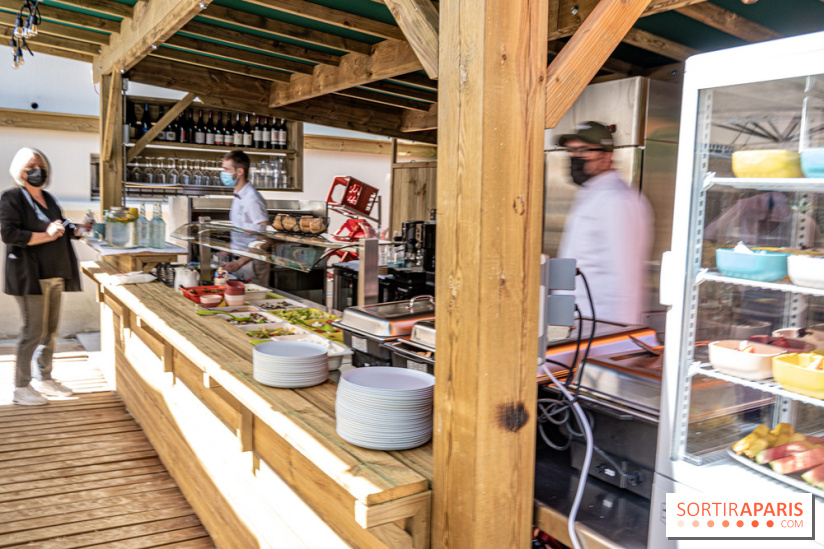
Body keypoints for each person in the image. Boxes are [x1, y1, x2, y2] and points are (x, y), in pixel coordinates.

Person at [0, 147, 88, 405]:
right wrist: (46, 235)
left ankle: (44, 377)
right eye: (30, 166)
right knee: (33, 331)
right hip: (30, 276)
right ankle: (21, 387)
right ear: (20, 171)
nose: (37, 170)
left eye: (40, 165)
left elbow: (59, 224)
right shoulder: (12, 198)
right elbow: (9, 234)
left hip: (55, 273)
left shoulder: (48, 199)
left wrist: (78, 229)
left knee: (49, 331)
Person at [555, 121, 653, 325]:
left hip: (602, 325)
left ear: (607, 156)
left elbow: (626, 275)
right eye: (571, 151)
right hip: (577, 321)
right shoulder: (592, 194)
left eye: (583, 150)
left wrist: (617, 335)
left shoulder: (618, 200)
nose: (575, 157)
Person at [219, 149, 271, 287]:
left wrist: (239, 262)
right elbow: (243, 231)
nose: (223, 173)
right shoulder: (238, 195)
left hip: (251, 264)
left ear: (239, 172)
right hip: (237, 261)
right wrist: (226, 249)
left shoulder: (252, 199)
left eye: (226, 169)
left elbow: (264, 240)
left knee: (254, 304)